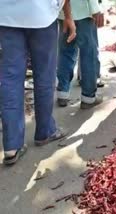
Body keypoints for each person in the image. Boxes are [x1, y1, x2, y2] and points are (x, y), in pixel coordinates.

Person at [0, 0, 76, 165]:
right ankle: (45, 130)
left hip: (6, 16)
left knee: (10, 78)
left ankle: (11, 146)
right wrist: (63, 11)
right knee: (44, 75)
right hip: (41, 14)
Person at [56, 0, 105, 108]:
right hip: (84, 11)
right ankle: (88, 96)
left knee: (65, 52)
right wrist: (96, 8)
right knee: (88, 54)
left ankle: (62, 92)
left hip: (64, 11)